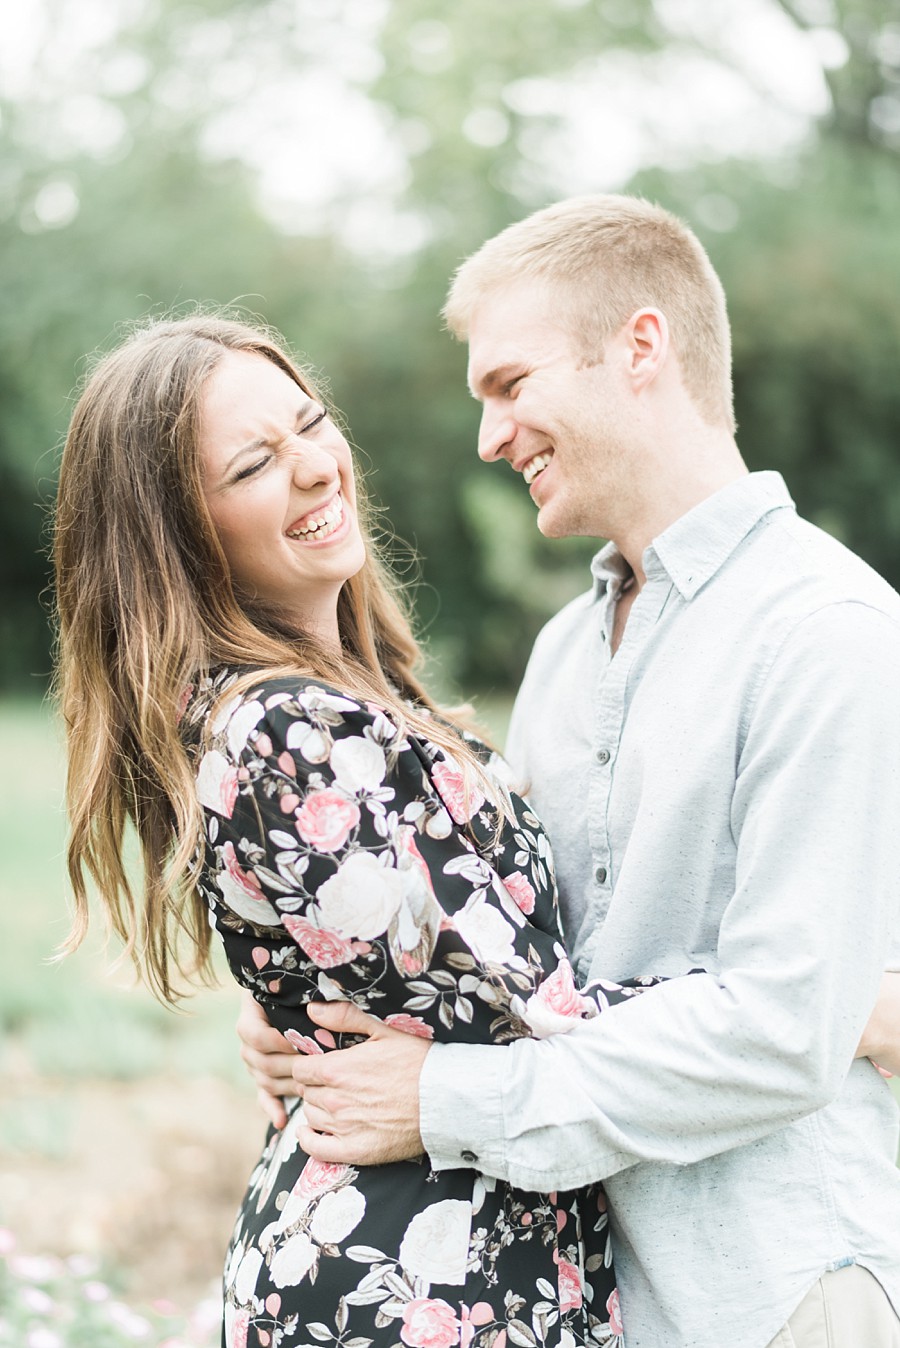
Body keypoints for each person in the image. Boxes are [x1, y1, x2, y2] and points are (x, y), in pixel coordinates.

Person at [237, 197, 900, 1348]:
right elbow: (526, 960)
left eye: (510, 384)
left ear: (641, 348)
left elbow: (785, 1029)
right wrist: (318, 1022)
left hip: (779, 1284)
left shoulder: (825, 629)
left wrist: (444, 1103)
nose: (490, 437)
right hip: (593, 1282)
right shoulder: (561, 652)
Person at [54, 311, 720, 1348]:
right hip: (415, 1289)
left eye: (310, 424)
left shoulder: (349, 699)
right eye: (253, 465)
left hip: (453, 1263)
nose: (316, 467)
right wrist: (797, 1001)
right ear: (181, 532)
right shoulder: (293, 730)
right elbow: (523, 1020)